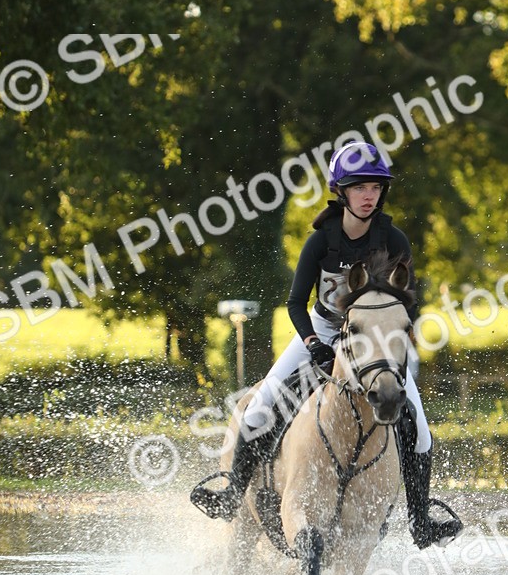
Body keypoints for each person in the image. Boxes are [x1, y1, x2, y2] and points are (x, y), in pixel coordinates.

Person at [190, 141, 462, 547]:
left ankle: (420, 520)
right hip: (321, 329)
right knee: (258, 408)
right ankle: (232, 494)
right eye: (359, 188)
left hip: (377, 340)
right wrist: (314, 342)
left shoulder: (396, 240)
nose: (369, 195)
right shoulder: (321, 241)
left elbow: (406, 300)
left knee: (419, 429)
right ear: (342, 192)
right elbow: (295, 303)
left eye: (375, 188)